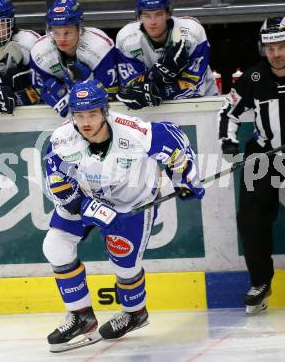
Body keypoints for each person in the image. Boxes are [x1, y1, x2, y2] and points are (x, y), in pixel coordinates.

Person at [43, 78, 205, 352]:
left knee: (125, 265)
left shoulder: (134, 132)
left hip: (132, 202)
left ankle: (135, 313)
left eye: (92, 114)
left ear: (105, 111)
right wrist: (91, 208)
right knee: (55, 246)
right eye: (79, 115)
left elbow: (174, 137)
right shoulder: (61, 140)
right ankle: (81, 316)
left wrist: (185, 178)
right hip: (86, 198)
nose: (85, 122)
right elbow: (59, 187)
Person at [218, 16, 285, 315]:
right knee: (251, 219)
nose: (276, 54)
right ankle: (260, 282)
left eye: (282, 46)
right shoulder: (254, 78)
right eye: (270, 48)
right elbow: (228, 111)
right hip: (265, 157)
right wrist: (228, 142)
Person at [115, 0, 218, 110]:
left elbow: (193, 87)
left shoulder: (193, 33)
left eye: (158, 14)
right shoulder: (126, 39)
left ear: (168, 13)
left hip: (202, 105)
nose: (153, 22)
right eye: (147, 15)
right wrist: (158, 75)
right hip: (151, 110)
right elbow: (133, 89)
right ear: (139, 16)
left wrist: (153, 88)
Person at [30, 0, 118, 118]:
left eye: (68, 33)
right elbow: (43, 93)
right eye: (56, 32)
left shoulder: (100, 47)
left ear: (79, 29)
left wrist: (84, 83)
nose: (61, 39)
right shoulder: (39, 52)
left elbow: (110, 94)